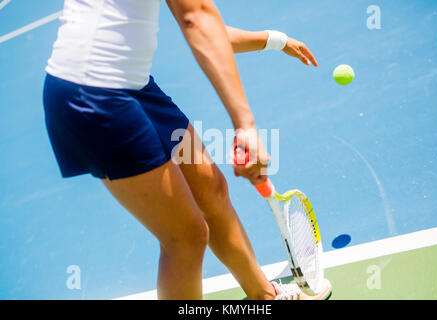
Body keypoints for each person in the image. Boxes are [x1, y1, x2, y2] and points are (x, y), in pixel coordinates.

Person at [43, 0, 331, 300]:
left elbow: (207, 28)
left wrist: (276, 39)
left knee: (211, 189)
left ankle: (264, 296)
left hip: (134, 85)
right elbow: (196, 18)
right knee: (186, 237)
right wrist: (244, 124)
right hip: (93, 94)